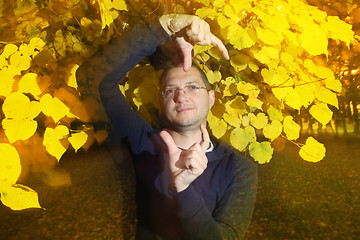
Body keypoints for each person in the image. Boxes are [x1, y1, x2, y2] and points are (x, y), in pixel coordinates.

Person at [77, 14, 258, 240]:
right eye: (170, 90)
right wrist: (165, 26)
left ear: (211, 98)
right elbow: (91, 78)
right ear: (161, 101)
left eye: (193, 87)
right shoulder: (141, 143)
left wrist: (181, 190)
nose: (181, 96)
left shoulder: (238, 168)